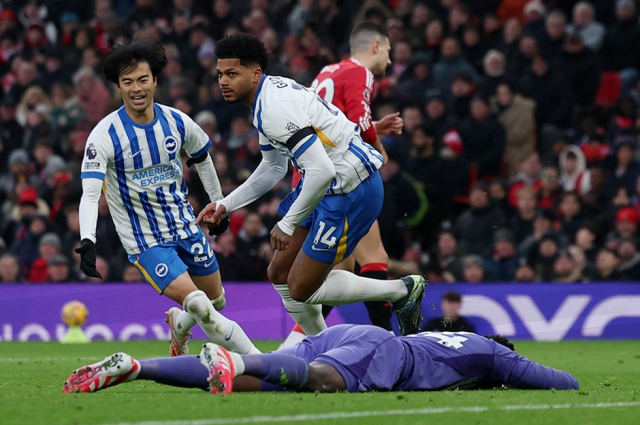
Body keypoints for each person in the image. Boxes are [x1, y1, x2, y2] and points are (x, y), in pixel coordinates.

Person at [197, 33, 426, 337]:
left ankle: (401, 290)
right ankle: (320, 349)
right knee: (278, 272)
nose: (223, 81)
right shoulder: (264, 101)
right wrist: (225, 205)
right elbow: (273, 167)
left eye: (231, 74)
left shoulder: (274, 107)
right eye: (220, 75)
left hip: (351, 189)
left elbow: (323, 170)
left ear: (255, 74)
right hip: (325, 185)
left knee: (301, 287)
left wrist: (288, 223)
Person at [76, 38, 260, 357]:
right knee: (203, 305)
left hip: (186, 228)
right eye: (128, 81)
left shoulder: (176, 121)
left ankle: (179, 325)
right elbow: (90, 193)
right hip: (146, 241)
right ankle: (264, 364)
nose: (137, 88)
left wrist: (218, 204)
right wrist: (87, 239)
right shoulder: (104, 135)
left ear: (155, 80)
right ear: (119, 86)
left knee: (216, 300)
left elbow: (202, 156)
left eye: (143, 79)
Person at [288, 22, 403, 338]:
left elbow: (336, 123)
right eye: (389, 52)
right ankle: (388, 340)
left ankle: (299, 342)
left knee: (340, 266)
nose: (389, 62)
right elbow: (359, 120)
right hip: (341, 177)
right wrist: (378, 148)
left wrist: (376, 127)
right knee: (375, 257)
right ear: (376, 47)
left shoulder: (329, 71)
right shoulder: (360, 72)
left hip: (310, 173)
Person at [62, 324, 579, 395]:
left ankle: (136, 367)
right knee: (325, 384)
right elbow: (562, 381)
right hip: (382, 350)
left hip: (347, 333)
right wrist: (507, 369)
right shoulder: (491, 352)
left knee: (255, 382)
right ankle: (236, 360)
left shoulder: (448, 336)